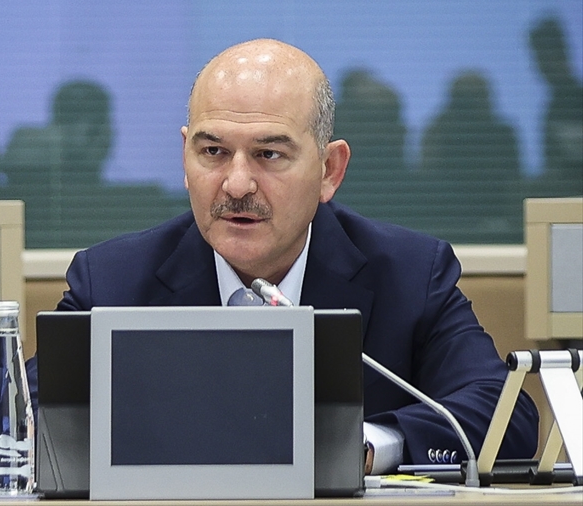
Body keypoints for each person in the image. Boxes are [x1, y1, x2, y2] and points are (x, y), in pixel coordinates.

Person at [34, 39, 538, 474]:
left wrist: (364, 446)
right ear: (185, 158)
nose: (236, 184)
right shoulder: (113, 284)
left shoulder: (408, 276)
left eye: (269, 154)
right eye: (213, 152)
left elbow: (506, 417)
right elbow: (21, 417)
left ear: (329, 170)